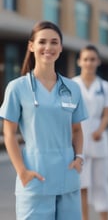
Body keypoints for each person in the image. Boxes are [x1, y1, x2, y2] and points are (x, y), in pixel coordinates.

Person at [0, 21, 88, 219]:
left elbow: (76, 129)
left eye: (54, 42)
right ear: (31, 46)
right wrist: (22, 171)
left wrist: (79, 158)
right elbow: (9, 133)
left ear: (60, 48)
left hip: (68, 176)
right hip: (34, 179)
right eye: (42, 42)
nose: (48, 47)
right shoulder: (17, 88)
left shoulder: (72, 88)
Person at [73, 45, 108, 220]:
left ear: (98, 61)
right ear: (79, 62)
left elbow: (107, 113)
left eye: (92, 59)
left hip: (98, 138)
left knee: (100, 185)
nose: (89, 63)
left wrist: (99, 130)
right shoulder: (72, 84)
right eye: (86, 59)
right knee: (81, 186)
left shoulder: (104, 86)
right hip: (78, 139)